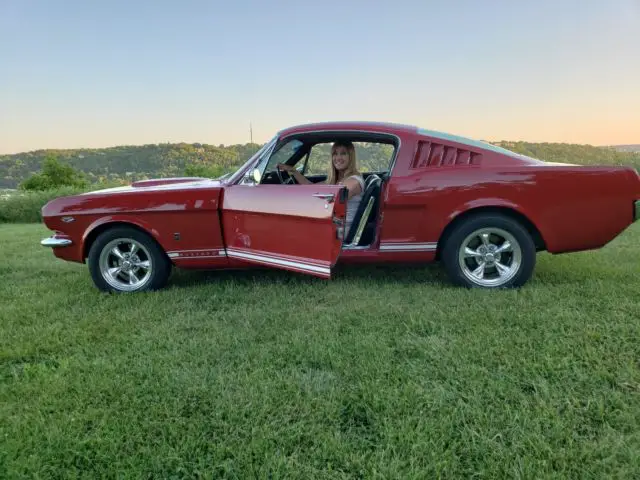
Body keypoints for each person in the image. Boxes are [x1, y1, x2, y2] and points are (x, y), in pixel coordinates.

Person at [277, 140, 364, 235]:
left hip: (342, 231)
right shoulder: (337, 180)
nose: (338, 158)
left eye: (343, 154)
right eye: (335, 154)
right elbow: (310, 187)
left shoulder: (354, 181)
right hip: (334, 225)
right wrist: (293, 171)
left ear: (350, 157)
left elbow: (334, 201)